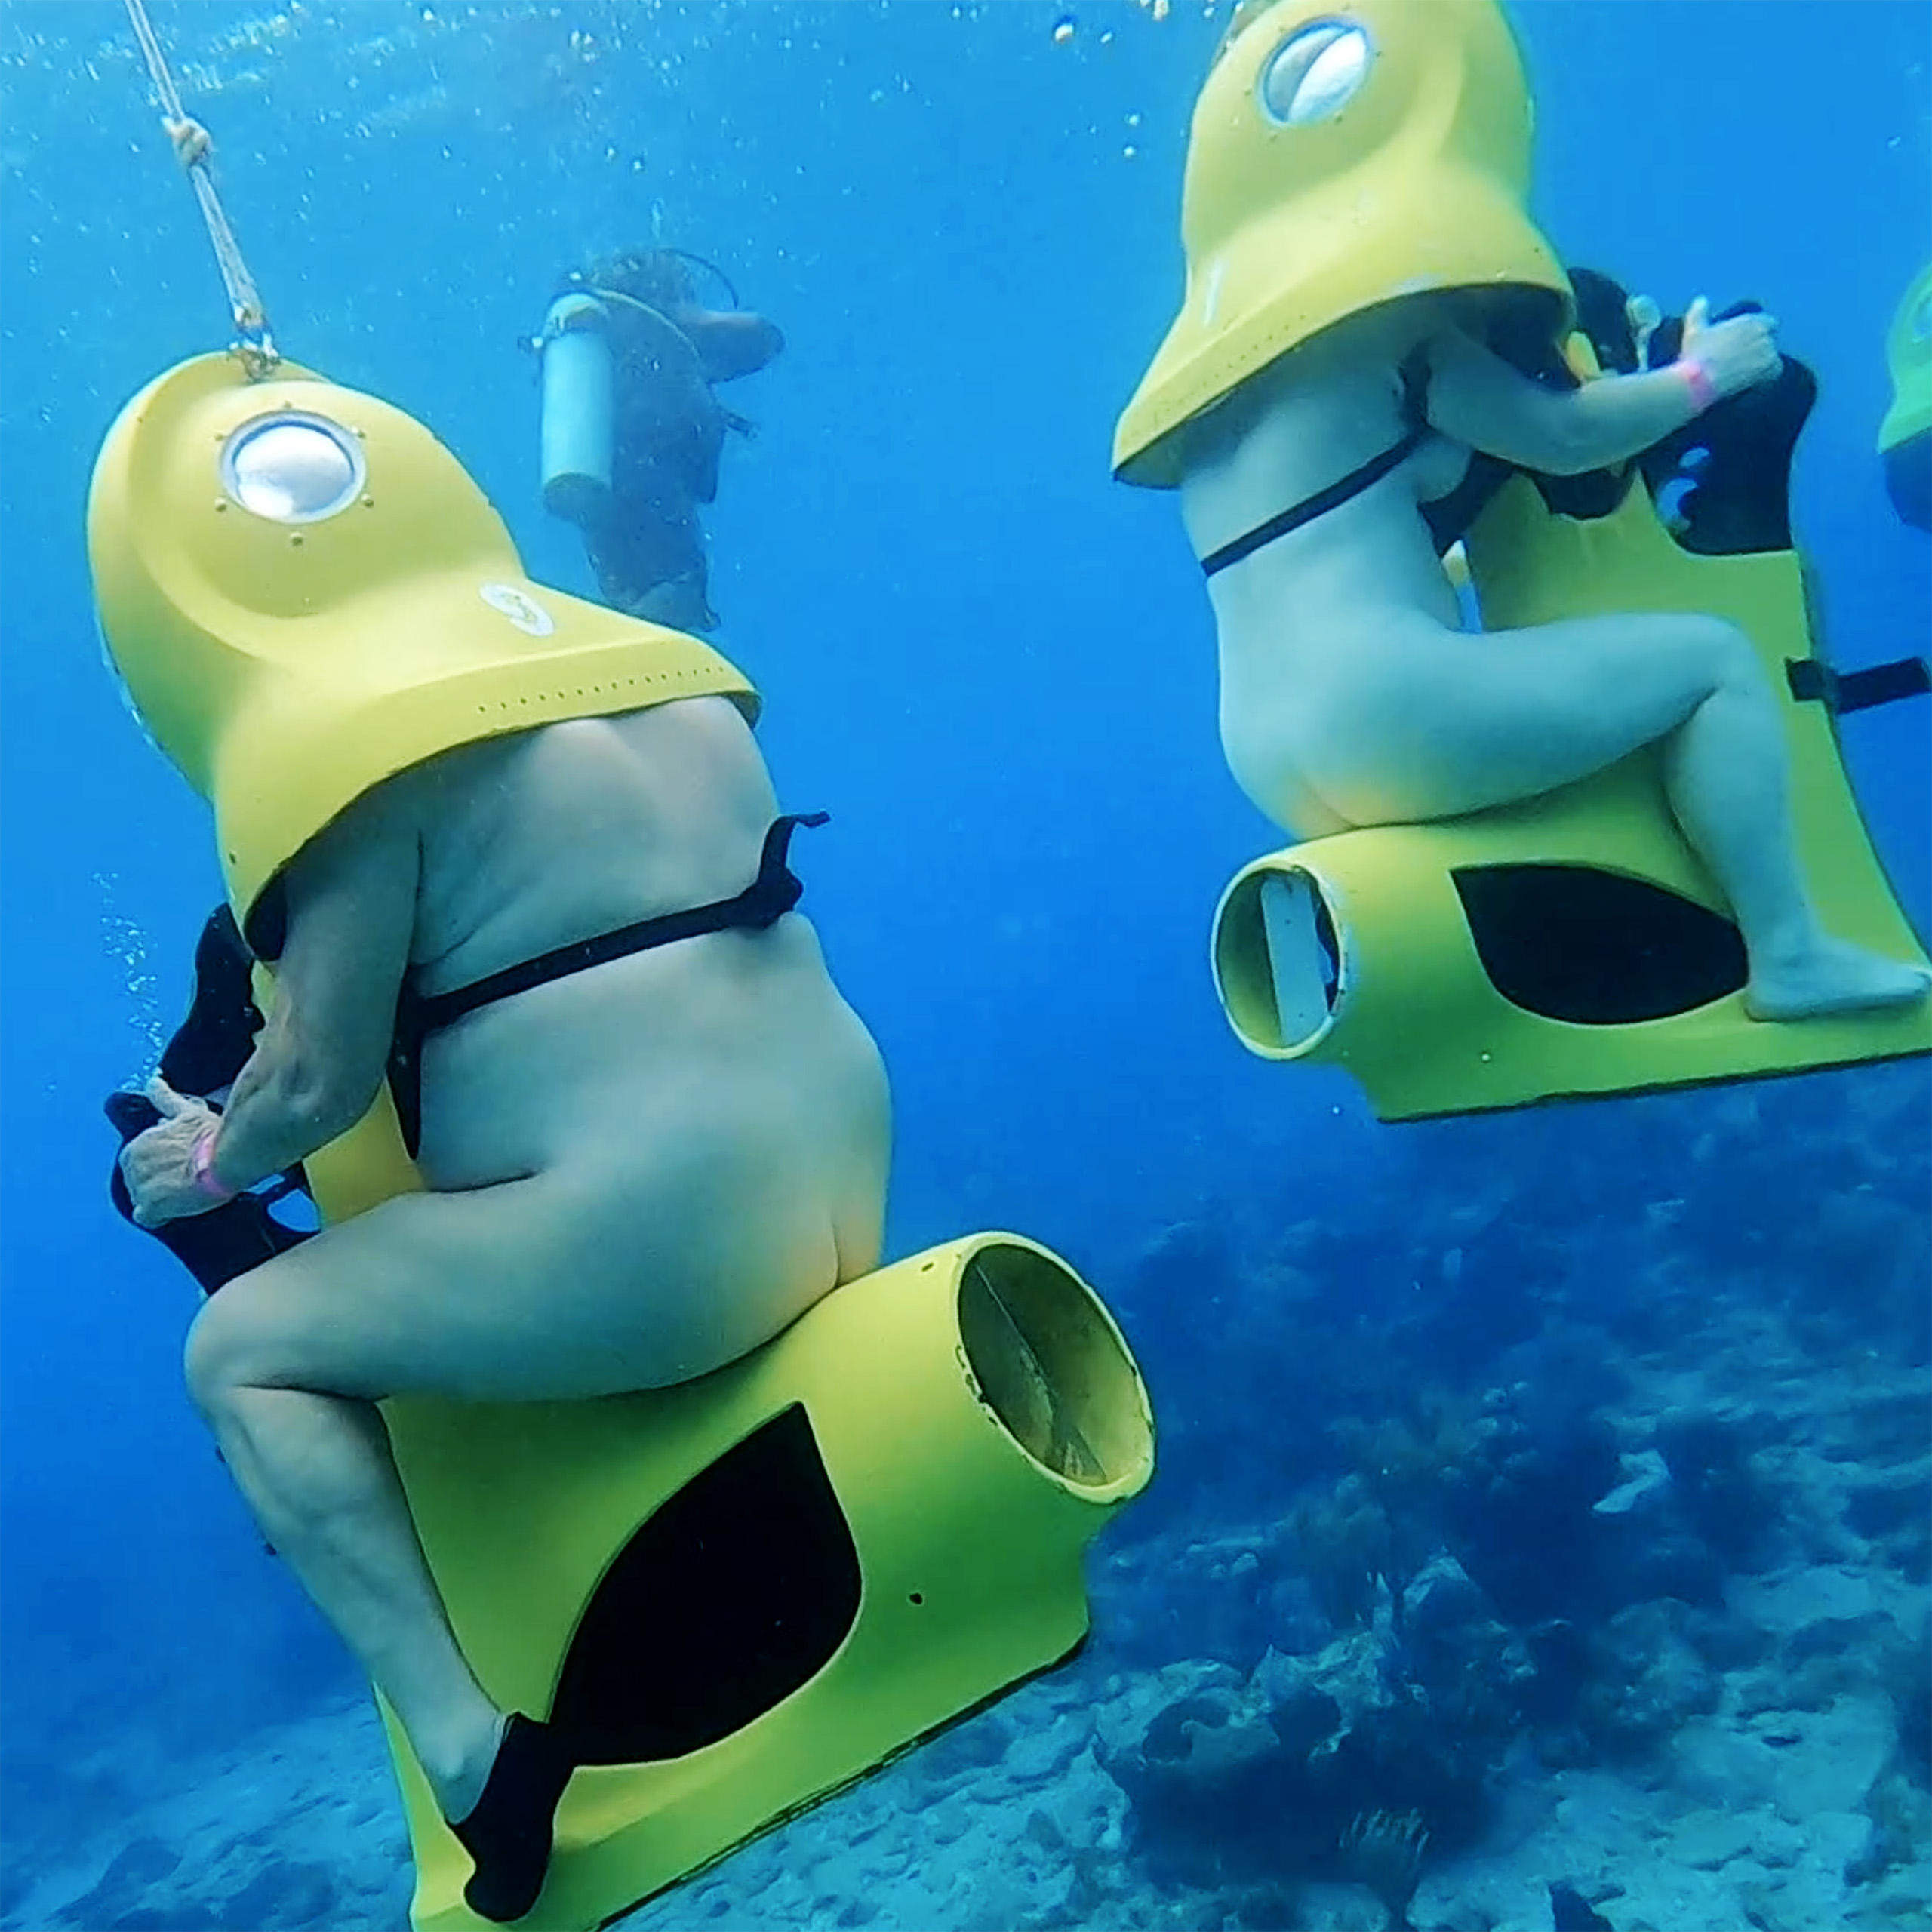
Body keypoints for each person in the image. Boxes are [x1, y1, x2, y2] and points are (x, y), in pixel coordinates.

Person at [117, 693, 891, 1921]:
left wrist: (207, 1164)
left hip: (669, 1248)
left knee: (239, 1352)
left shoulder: (361, 769)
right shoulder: (678, 694)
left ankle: (479, 1770)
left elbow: (316, 1083)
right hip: (840, 1175)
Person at [1170, 288, 1931, 1023]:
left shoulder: (1216, 402)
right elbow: (1568, 439)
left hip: (1265, 757)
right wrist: (1710, 372)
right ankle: (1789, 954)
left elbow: (1335, 549)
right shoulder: (1392, 335)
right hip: (1383, 707)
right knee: (1713, 663)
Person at [543, 247, 784, 630]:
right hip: (653, 494)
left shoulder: (612, 355)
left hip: (608, 495)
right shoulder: (663, 335)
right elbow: (762, 338)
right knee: (672, 595)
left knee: (632, 599)